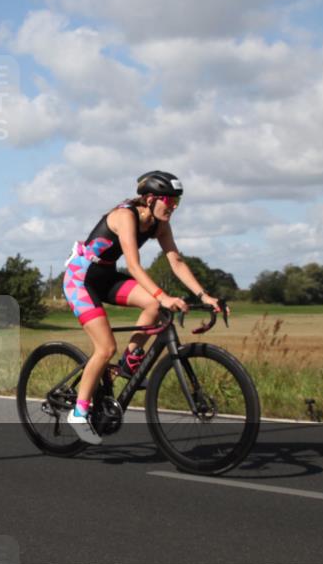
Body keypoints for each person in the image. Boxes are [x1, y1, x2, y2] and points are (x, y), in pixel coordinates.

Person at [61, 171, 223, 444]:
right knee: (105, 348)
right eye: (168, 202)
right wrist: (163, 296)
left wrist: (204, 295)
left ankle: (128, 365)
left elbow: (176, 261)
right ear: (149, 199)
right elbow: (134, 266)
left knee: (151, 306)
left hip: (107, 277)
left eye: (176, 204)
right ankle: (78, 413)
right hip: (81, 280)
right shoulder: (126, 216)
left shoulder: (160, 224)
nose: (172, 208)